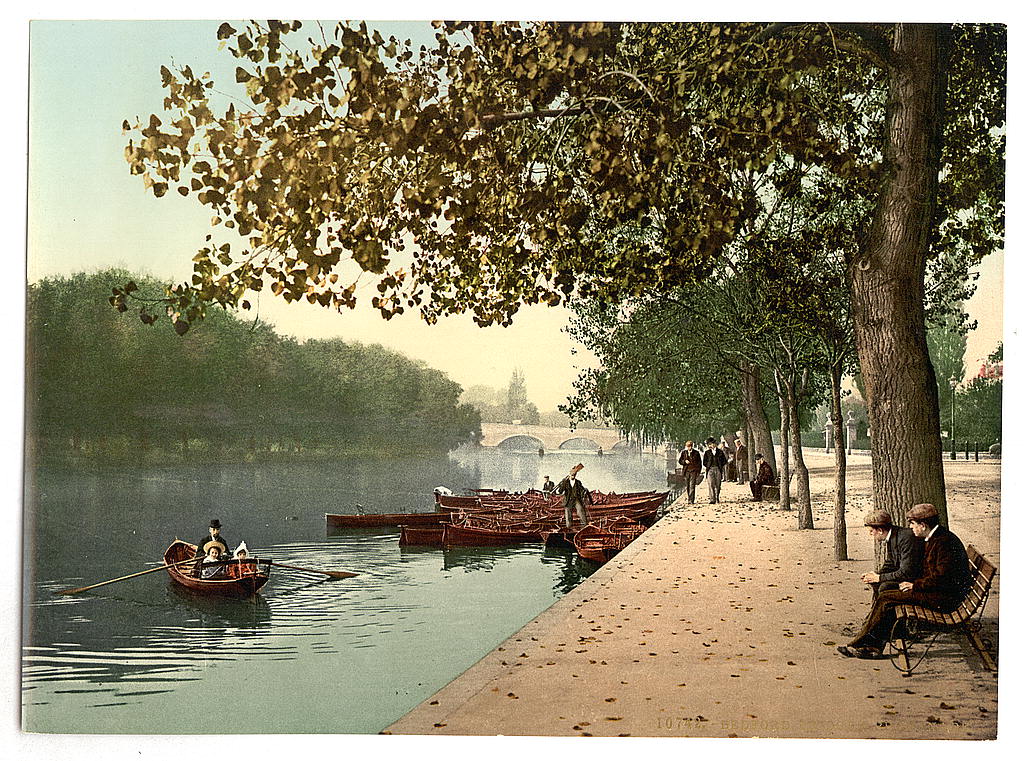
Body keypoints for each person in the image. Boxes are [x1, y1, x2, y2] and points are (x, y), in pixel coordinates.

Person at [838, 503, 972, 659]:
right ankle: (871, 645)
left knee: (886, 597)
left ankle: (862, 644)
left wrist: (915, 585)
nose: (910, 527)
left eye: (913, 524)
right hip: (937, 592)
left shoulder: (943, 542)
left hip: (946, 598)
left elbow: (942, 578)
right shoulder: (936, 537)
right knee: (887, 597)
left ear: (923, 525)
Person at [860, 510, 923, 599]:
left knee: (885, 587)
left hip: (916, 581)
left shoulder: (906, 538)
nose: (870, 534)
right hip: (906, 576)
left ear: (880, 530)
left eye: (871, 531)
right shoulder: (894, 535)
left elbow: (906, 572)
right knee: (877, 583)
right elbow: (891, 562)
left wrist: (880, 577)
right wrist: (875, 575)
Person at [556, 463, 592, 529]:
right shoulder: (566, 482)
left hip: (576, 499)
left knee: (581, 510)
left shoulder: (578, 482)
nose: (573, 476)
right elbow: (560, 491)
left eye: (574, 475)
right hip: (568, 500)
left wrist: (584, 491)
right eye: (572, 475)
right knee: (568, 513)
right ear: (570, 475)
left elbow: (582, 490)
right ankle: (569, 527)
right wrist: (563, 483)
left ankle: (584, 526)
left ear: (575, 475)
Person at [702, 437, 727, 504]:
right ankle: (712, 499)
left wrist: (720, 466)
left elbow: (724, 461)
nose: (710, 446)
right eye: (709, 444)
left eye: (711, 444)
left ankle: (717, 497)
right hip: (710, 470)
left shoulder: (720, 452)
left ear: (715, 444)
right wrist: (708, 466)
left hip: (718, 469)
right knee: (711, 484)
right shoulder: (707, 453)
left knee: (718, 484)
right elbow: (704, 462)